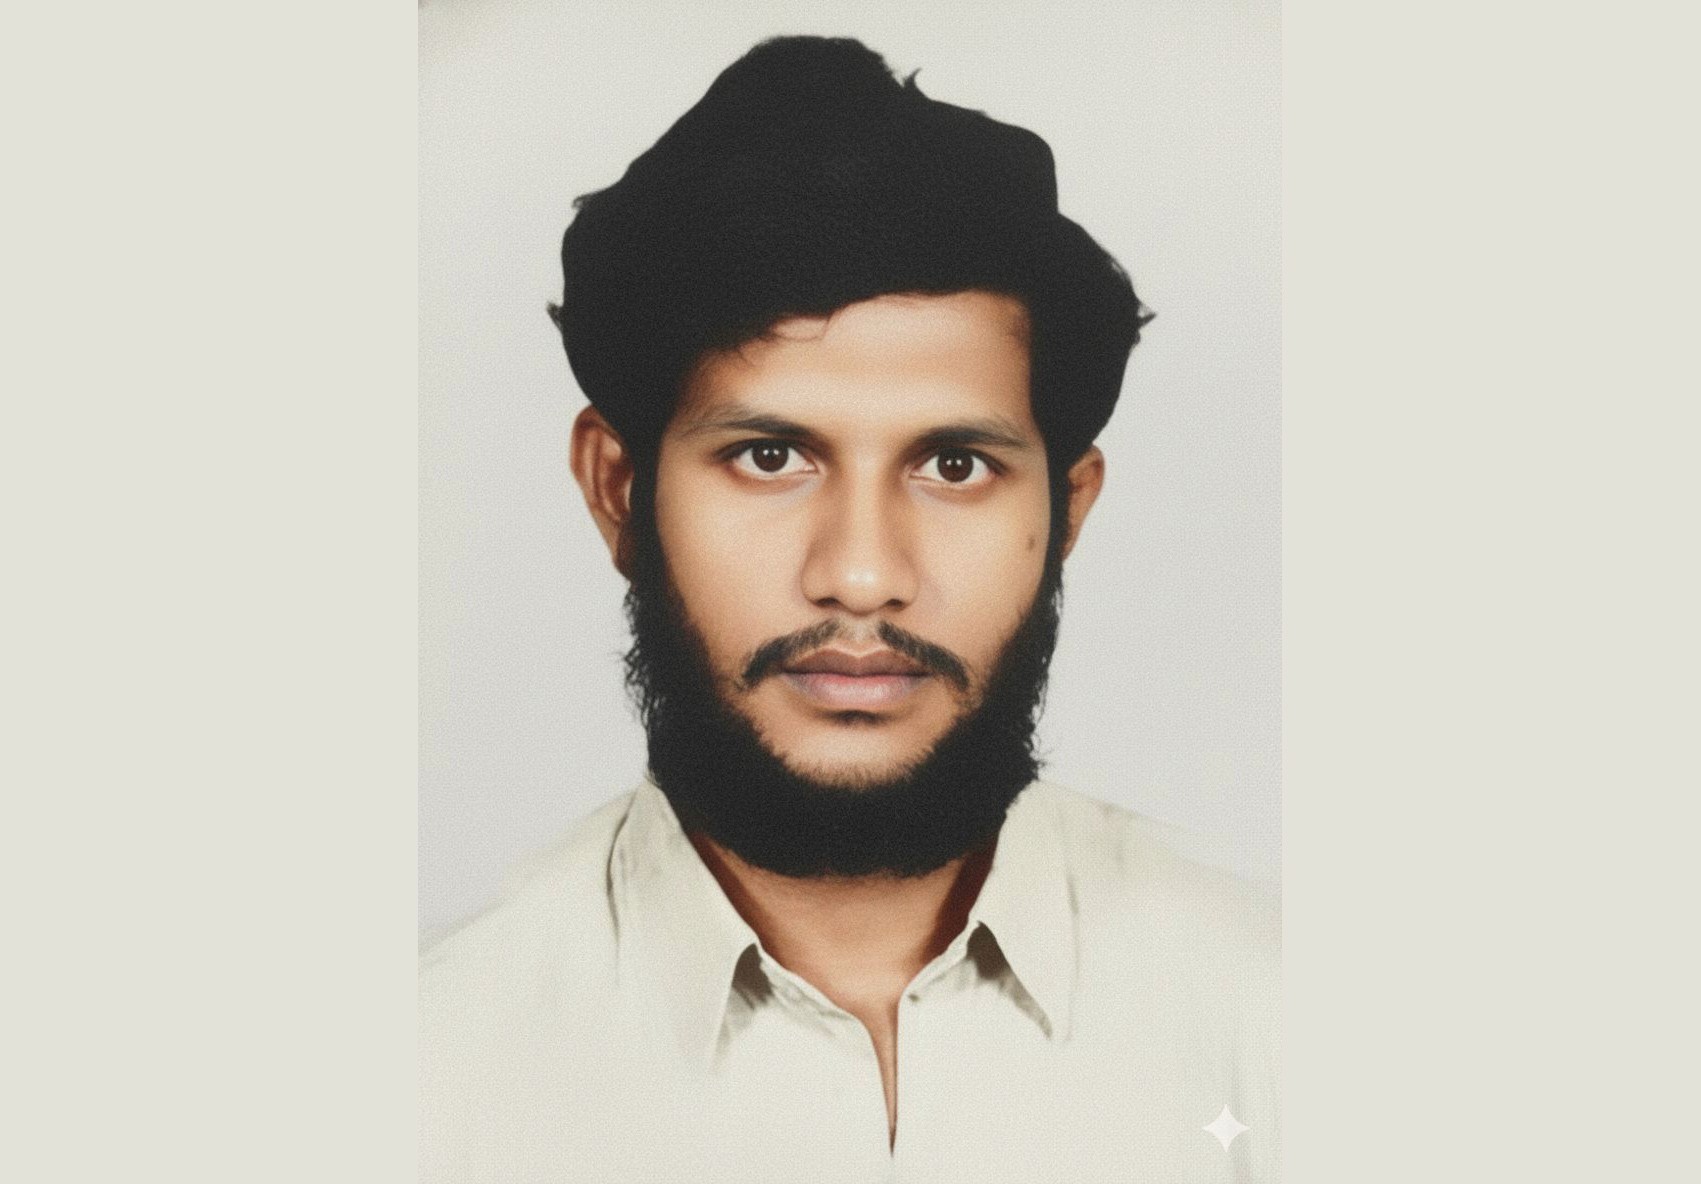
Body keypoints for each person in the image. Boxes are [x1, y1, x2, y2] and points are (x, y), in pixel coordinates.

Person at [420, 34, 1278, 1182]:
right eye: (770, 454)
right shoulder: (425, 1076)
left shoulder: (1276, 1017)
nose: (864, 574)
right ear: (619, 490)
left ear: (1067, 508)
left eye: (955, 465)